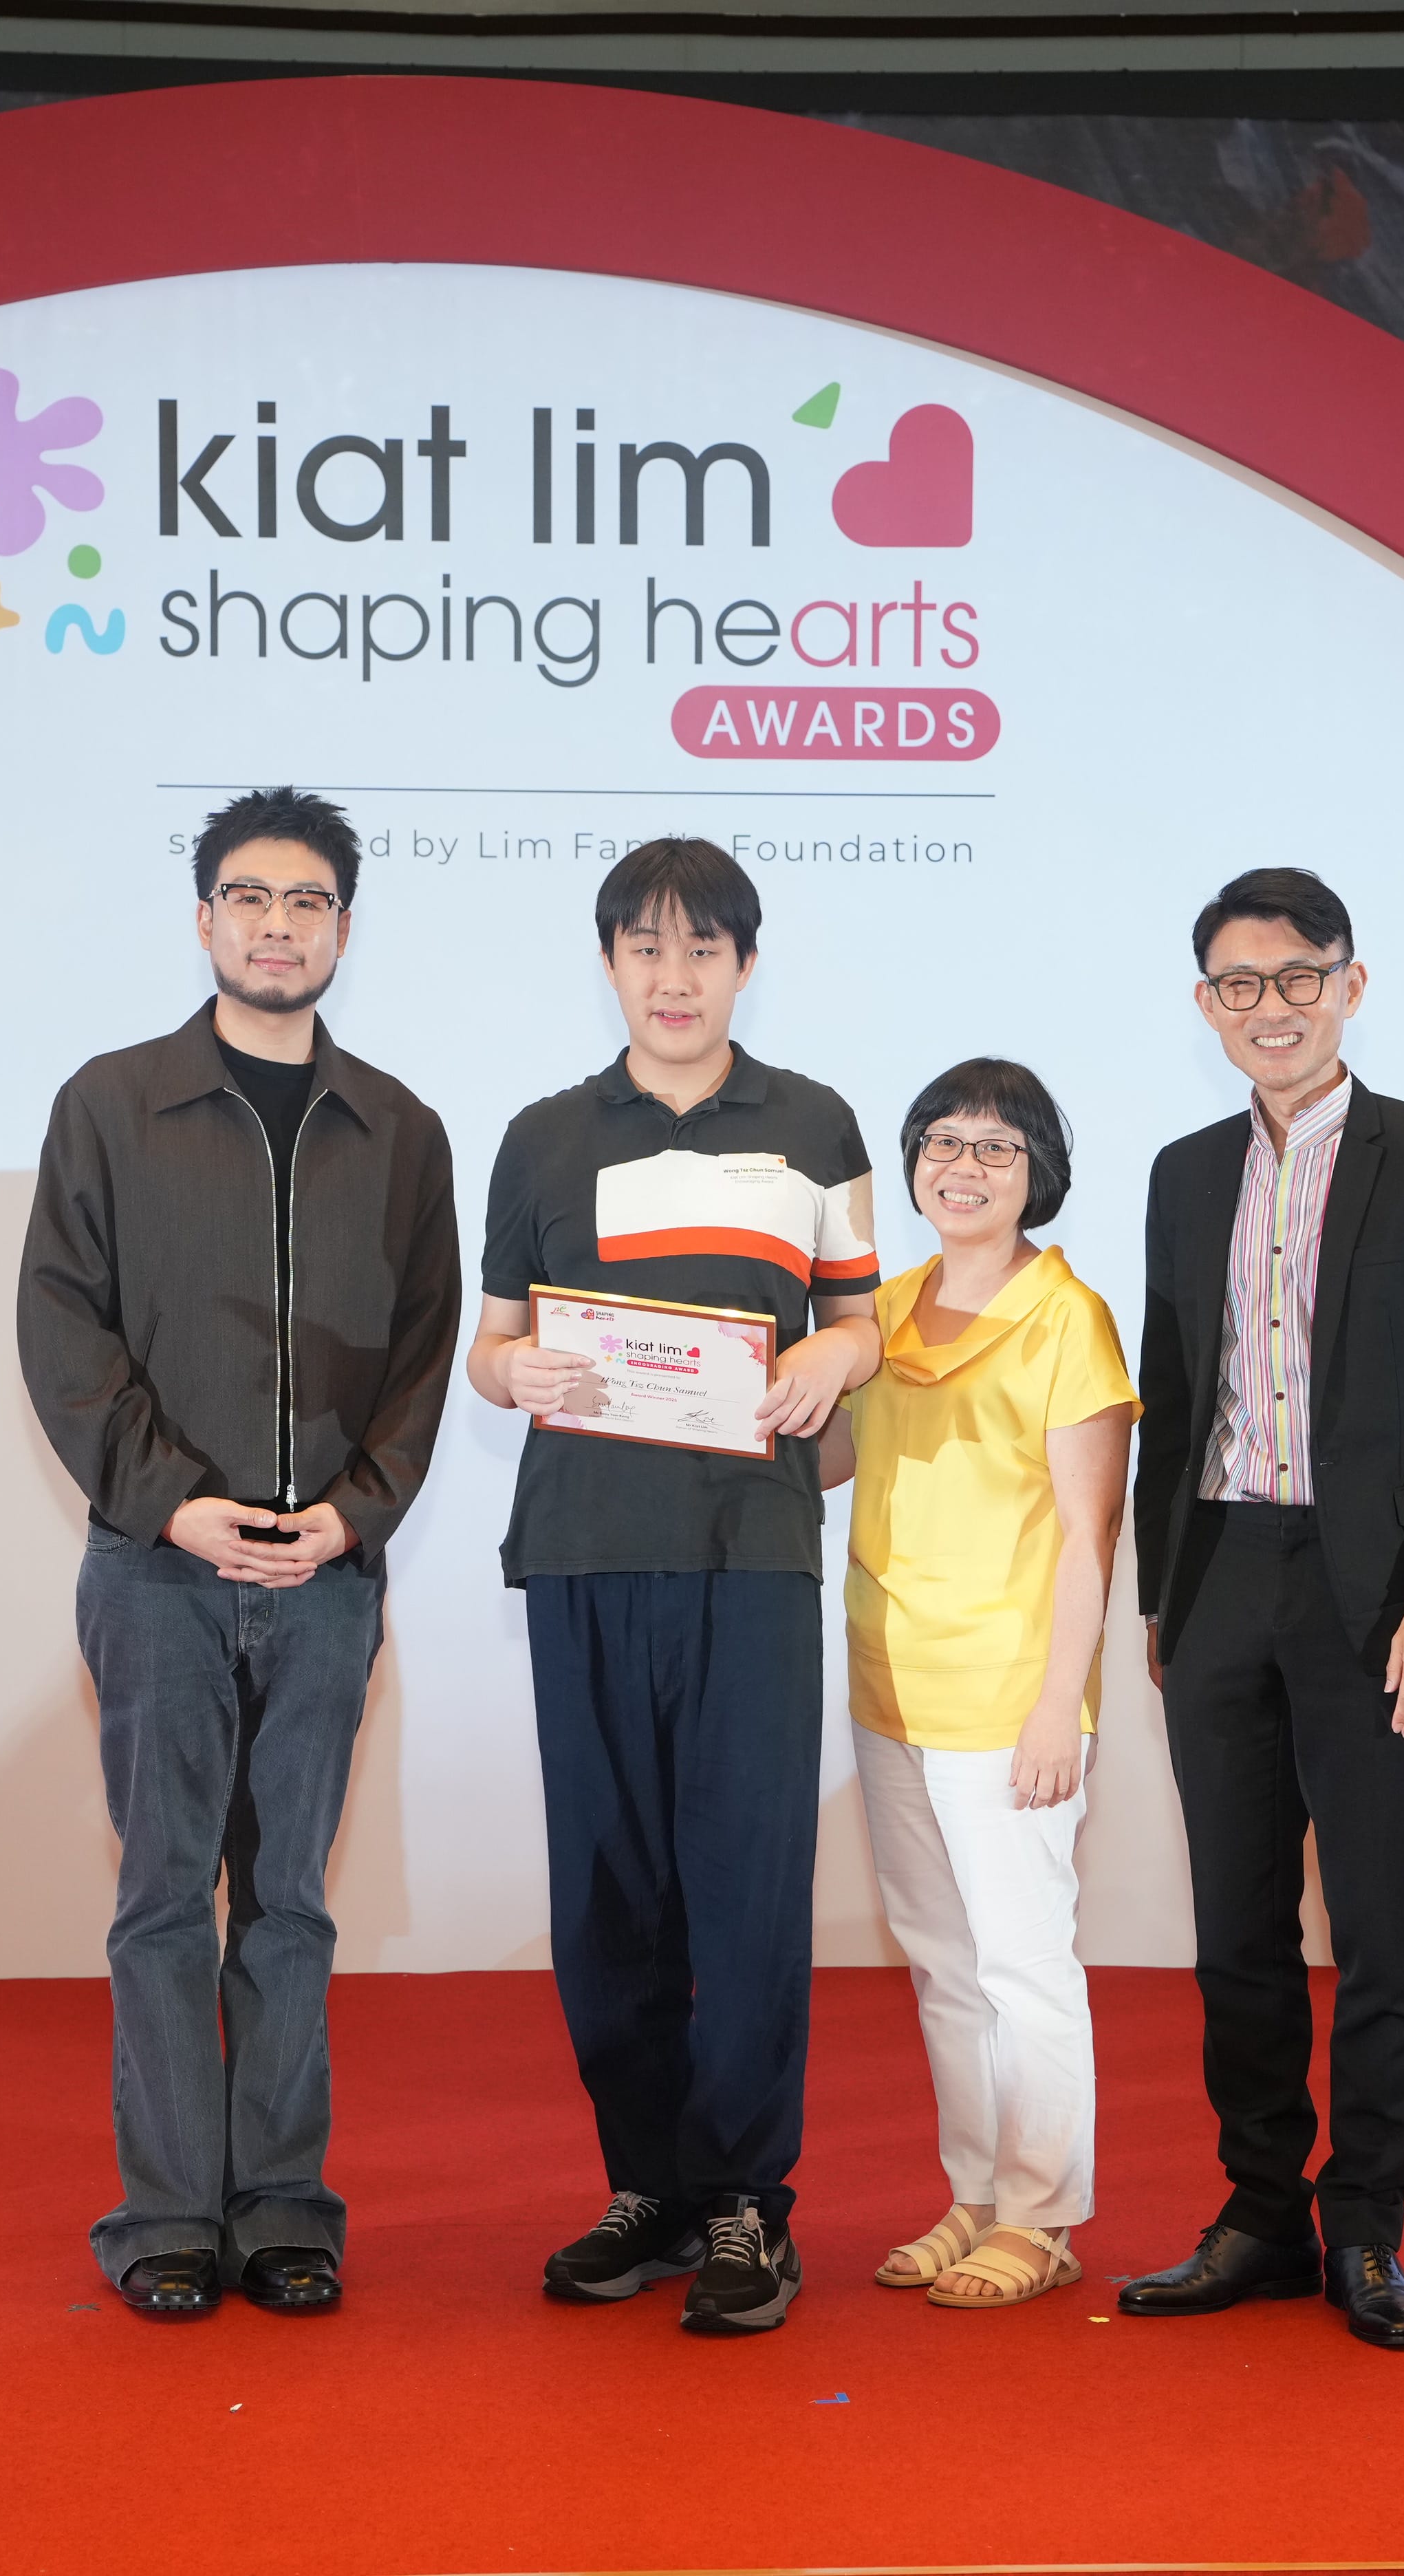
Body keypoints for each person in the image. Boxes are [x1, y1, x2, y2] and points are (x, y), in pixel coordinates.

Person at [17, 786, 463, 2322]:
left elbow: (424, 1349)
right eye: (251, 899)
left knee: (292, 1907)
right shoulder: (113, 1103)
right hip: (160, 1572)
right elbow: (61, 1326)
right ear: (205, 917)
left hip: (329, 1580)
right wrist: (170, 1501)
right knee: (162, 1902)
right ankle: (163, 2221)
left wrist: (358, 1513)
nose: (281, 926)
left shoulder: (401, 1129)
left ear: (347, 925)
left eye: (311, 902)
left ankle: (283, 2210)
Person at [464, 837, 881, 2337]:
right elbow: (491, 1340)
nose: (675, 975)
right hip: (583, 1547)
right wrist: (511, 1368)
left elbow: (861, 1324)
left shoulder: (817, 1126)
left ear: (746, 965)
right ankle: (646, 2185)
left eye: (703, 948)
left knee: (750, 1889)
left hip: (754, 1554)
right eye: (644, 946)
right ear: (609, 963)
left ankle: (747, 2209)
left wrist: (840, 1354)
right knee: (608, 1896)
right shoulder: (540, 1136)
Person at [1114, 865, 1404, 2354]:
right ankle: (1260, 2216)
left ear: (1351, 984)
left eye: (1298, 977)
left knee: (1376, 1927)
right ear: (1206, 1006)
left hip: (1377, 1602)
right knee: (1234, 1927)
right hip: (1222, 1574)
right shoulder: (1177, 1173)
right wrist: (1168, 1593)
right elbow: (1176, 1397)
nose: (1271, 1007)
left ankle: (1366, 2228)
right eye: (1240, 984)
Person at [819, 1058, 1134, 2312]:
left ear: (1039, 1173)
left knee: (1024, 1967)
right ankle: (977, 2194)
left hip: (1010, 1695)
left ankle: (1046, 2215)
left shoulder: (1071, 1318)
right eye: (942, 1143)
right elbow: (830, 1456)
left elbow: (1088, 1532)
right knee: (945, 1966)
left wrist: (1061, 1703)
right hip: (888, 1681)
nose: (964, 1167)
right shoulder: (882, 1313)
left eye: (997, 1150)